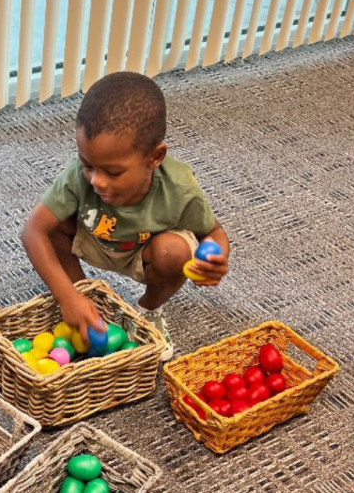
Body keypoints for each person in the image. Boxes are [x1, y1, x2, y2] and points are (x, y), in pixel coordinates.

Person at [21, 71, 230, 360]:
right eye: (87, 165)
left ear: (155, 157)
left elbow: (213, 232)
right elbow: (32, 230)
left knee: (175, 252)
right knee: (52, 225)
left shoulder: (179, 187)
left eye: (113, 172)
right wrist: (68, 296)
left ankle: (147, 310)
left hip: (143, 252)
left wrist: (215, 259)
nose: (96, 180)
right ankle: (87, 302)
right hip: (93, 238)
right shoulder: (80, 176)